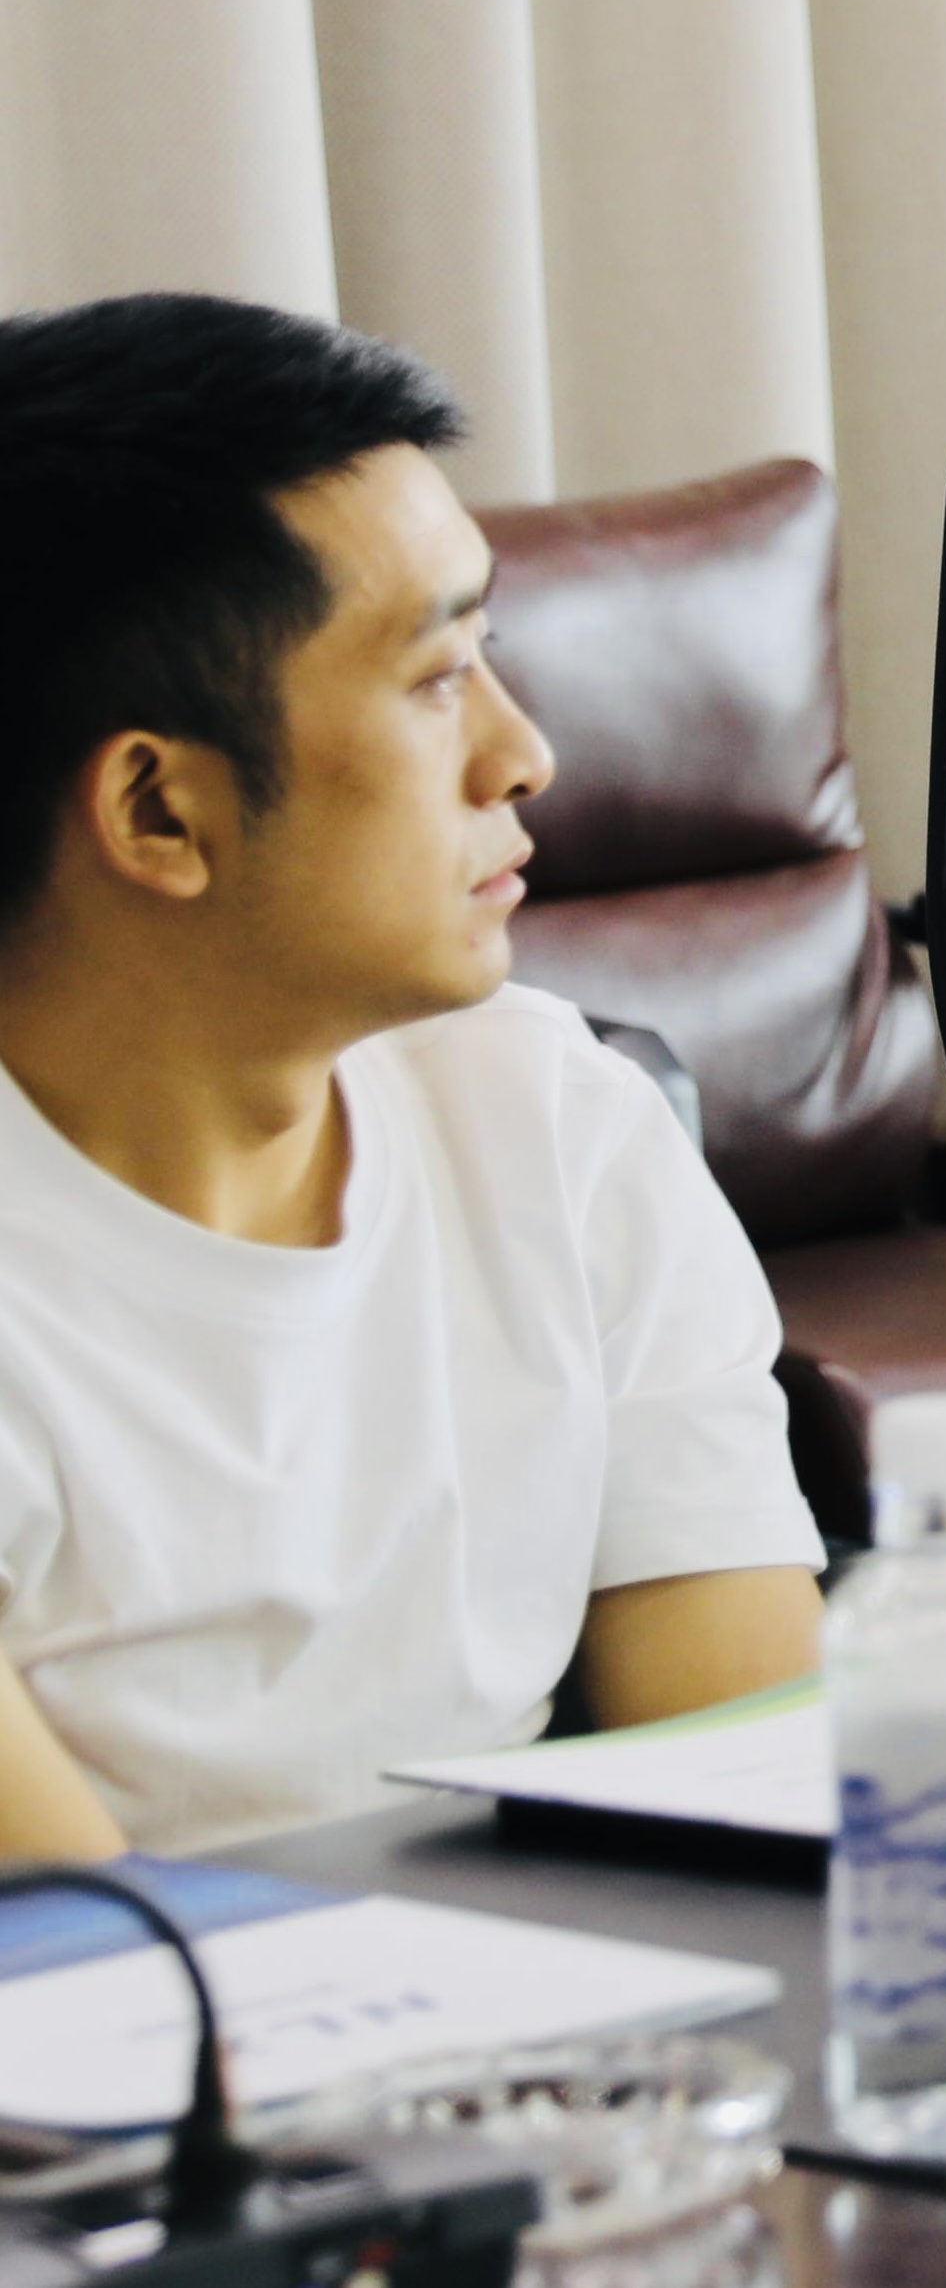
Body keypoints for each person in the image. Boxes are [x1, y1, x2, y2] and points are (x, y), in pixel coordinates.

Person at [0, 295, 820, 1857]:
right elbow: (85, 1952)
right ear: (159, 810)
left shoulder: (559, 1125)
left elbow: (757, 1800)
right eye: (439, 676)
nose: (525, 754)